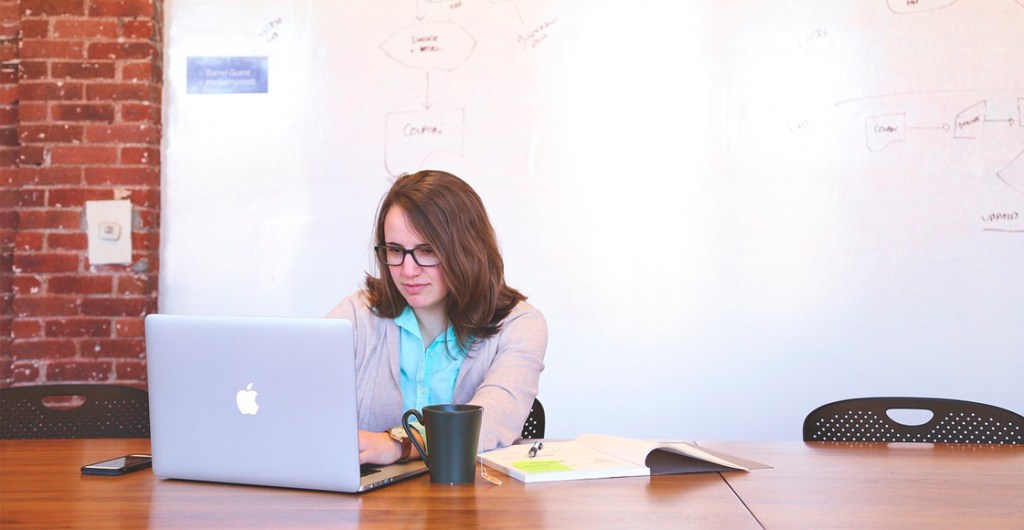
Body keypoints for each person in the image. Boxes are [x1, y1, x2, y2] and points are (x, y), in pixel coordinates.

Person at [327, 170, 547, 465]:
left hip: (478, 502)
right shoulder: (357, 315)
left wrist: (399, 444)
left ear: (466, 250)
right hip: (371, 506)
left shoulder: (520, 325)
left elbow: (494, 416)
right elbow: (296, 390)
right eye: (395, 250)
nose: (408, 271)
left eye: (426, 250)